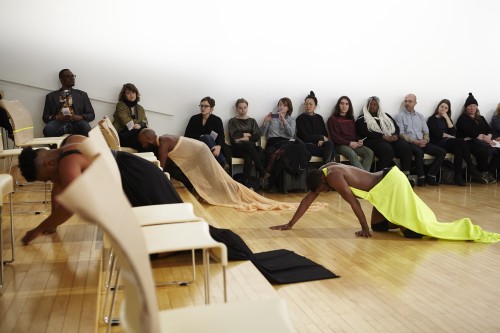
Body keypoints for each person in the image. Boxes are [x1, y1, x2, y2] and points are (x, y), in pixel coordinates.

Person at [270, 163, 500, 244]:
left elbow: (354, 203)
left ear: (322, 180)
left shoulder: (333, 177)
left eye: (321, 189)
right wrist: (290, 224)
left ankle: (408, 224)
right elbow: (308, 198)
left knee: (414, 234)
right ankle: (400, 221)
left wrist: (363, 228)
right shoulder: (325, 170)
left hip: (391, 183)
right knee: (381, 227)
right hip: (380, 191)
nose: (322, 193)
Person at [18, 134, 183, 245]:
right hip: (139, 169)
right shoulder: (70, 141)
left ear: (49, 163)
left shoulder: (68, 163)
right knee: (167, 228)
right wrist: (53, 224)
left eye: (48, 178)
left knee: (163, 239)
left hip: (136, 181)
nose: (53, 180)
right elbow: (59, 187)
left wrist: (37, 229)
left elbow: (71, 206)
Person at [138, 128, 327, 212]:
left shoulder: (162, 143)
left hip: (201, 153)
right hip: (198, 151)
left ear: (147, 139)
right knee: (204, 178)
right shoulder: (163, 138)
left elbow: (161, 166)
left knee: (217, 179)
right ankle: (206, 192)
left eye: (142, 143)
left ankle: (226, 193)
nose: (143, 145)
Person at [355, 96, 414, 184]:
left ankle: (405, 177)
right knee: (387, 149)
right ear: (367, 106)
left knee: (405, 146)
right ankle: (380, 178)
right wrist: (382, 136)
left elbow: (396, 128)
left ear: (379, 106)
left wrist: (395, 135)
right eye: (370, 104)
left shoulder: (386, 116)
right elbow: (365, 132)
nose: (372, 106)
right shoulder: (362, 119)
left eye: (375, 105)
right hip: (373, 141)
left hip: (389, 139)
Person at [427, 99, 485, 185]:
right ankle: (470, 167)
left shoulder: (448, 119)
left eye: (446, 108)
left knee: (459, 149)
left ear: (448, 110)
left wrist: (447, 118)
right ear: (438, 107)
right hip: (437, 142)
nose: (443, 109)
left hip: (447, 142)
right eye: (442, 107)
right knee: (462, 141)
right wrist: (447, 135)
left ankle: (458, 177)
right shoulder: (432, 119)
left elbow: (453, 132)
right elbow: (437, 134)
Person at [395, 94, 446, 187]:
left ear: (415, 103)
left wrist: (425, 140)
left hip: (422, 142)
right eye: (406, 101)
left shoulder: (420, 116)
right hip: (410, 142)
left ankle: (430, 175)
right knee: (419, 152)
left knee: (442, 152)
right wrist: (415, 142)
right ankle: (421, 177)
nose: (407, 103)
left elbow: (426, 131)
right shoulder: (400, 116)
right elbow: (401, 134)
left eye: (410, 101)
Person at [260, 97, 303, 193]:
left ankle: (272, 184)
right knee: (276, 154)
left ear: (288, 108)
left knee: (284, 158)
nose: (281, 107)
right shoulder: (272, 117)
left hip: (285, 143)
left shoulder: (291, 120)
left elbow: (291, 134)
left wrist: (284, 121)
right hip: (273, 143)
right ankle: (275, 185)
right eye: (280, 105)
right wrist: (265, 122)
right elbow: (262, 133)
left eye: (284, 105)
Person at [456, 93, 499, 183]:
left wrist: (489, 136)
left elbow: (489, 130)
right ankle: (482, 173)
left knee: (498, 150)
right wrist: (484, 138)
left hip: (483, 141)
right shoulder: (462, 118)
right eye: (470, 106)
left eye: (474, 106)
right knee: (482, 151)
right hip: (468, 142)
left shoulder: (481, 118)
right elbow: (471, 133)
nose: (472, 108)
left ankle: (488, 172)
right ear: (466, 108)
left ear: (477, 107)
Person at [42, 69, 95, 137]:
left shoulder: (82, 95)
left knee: (86, 127)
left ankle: (80, 147)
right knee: (48, 129)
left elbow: (91, 115)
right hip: (58, 123)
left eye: (73, 76)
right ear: (61, 79)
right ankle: (56, 147)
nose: (72, 78)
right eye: (68, 76)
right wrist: (57, 117)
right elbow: (45, 117)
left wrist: (80, 117)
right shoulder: (51, 96)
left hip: (77, 122)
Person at [327, 95, 373, 171]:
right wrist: (349, 143)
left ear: (349, 106)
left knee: (370, 153)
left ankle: (362, 178)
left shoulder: (351, 119)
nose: (344, 106)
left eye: (346, 104)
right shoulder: (332, 119)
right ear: (338, 105)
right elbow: (335, 137)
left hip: (353, 143)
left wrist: (359, 140)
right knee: (352, 154)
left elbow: (355, 133)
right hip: (340, 145)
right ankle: (365, 178)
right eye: (342, 103)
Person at [184, 96, 230, 172]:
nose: (203, 108)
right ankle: (223, 162)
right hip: (197, 144)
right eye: (201, 106)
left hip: (212, 147)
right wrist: (200, 136)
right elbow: (187, 135)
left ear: (211, 108)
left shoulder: (217, 120)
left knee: (208, 139)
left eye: (206, 106)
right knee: (206, 137)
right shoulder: (194, 119)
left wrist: (218, 146)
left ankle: (221, 164)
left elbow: (221, 136)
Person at [227, 98, 268, 181]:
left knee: (248, 156)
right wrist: (246, 135)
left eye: (245, 107)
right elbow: (233, 136)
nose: (243, 110)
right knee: (249, 145)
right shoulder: (233, 121)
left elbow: (257, 136)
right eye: (240, 108)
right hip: (237, 148)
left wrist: (242, 138)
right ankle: (262, 171)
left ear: (247, 107)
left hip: (250, 149)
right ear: (237, 109)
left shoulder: (252, 121)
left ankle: (245, 183)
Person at [296, 91, 334, 164]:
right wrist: (320, 137)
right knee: (330, 151)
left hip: (320, 145)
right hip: (307, 145)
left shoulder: (319, 118)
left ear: (315, 106)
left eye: (311, 104)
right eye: (306, 104)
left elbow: (325, 134)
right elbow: (304, 137)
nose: (308, 106)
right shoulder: (300, 118)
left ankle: (323, 168)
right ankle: (325, 170)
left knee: (330, 144)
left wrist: (322, 140)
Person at [112, 83, 148, 151]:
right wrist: (140, 124)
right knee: (143, 140)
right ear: (124, 95)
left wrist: (140, 125)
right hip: (122, 134)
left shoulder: (140, 108)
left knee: (147, 140)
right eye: (128, 93)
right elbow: (126, 122)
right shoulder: (120, 105)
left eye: (133, 92)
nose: (131, 95)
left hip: (136, 135)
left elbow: (145, 122)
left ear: (136, 93)